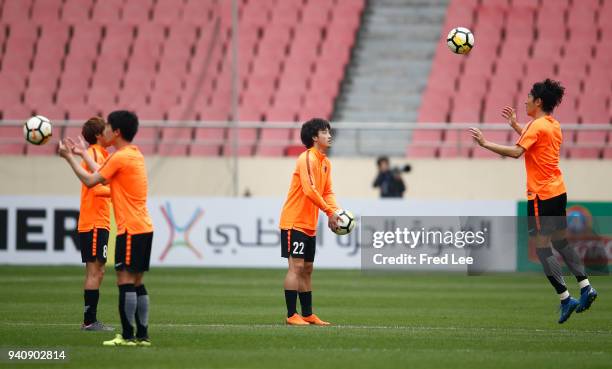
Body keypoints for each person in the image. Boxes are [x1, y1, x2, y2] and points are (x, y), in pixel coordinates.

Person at [470, 79, 597, 324]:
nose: (525, 99)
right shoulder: (553, 125)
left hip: (540, 195)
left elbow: (518, 152)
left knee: (542, 248)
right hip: (558, 192)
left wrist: (485, 144)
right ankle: (586, 286)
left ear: (538, 101)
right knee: (561, 242)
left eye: (529, 96)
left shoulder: (536, 125)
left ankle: (565, 298)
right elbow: (536, 145)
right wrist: (517, 126)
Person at [58, 110, 154, 345]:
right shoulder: (133, 154)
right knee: (137, 282)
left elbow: (92, 180)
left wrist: (69, 158)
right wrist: (82, 153)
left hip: (130, 229)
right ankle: (142, 335)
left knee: (125, 280)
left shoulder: (120, 157)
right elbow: (104, 176)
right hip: (143, 226)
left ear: (117, 131)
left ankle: (128, 336)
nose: (106, 130)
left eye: (109, 126)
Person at [279, 118, 341, 326]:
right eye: (325, 132)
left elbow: (327, 191)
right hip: (294, 221)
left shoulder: (325, 162)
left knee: (307, 268)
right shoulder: (306, 158)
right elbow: (309, 190)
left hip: (309, 224)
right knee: (295, 267)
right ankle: (291, 315)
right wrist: (329, 212)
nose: (329, 135)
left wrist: (335, 212)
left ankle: (307, 314)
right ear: (314, 137)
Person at [77, 117, 113, 331]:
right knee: (93, 271)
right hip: (93, 222)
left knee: (99, 271)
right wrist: (119, 191)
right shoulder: (91, 154)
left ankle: (91, 320)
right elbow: (93, 186)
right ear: (99, 135)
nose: (110, 132)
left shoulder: (103, 155)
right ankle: (89, 321)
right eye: (107, 129)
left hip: (101, 221)